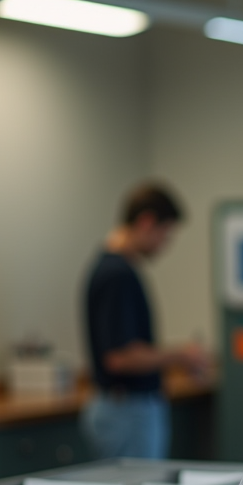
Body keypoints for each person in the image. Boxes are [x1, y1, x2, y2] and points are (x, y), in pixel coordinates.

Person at [81, 182, 207, 460]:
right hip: (127, 412)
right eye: (165, 234)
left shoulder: (114, 267)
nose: (165, 244)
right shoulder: (117, 274)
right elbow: (119, 357)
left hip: (123, 409)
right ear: (147, 222)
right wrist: (182, 355)